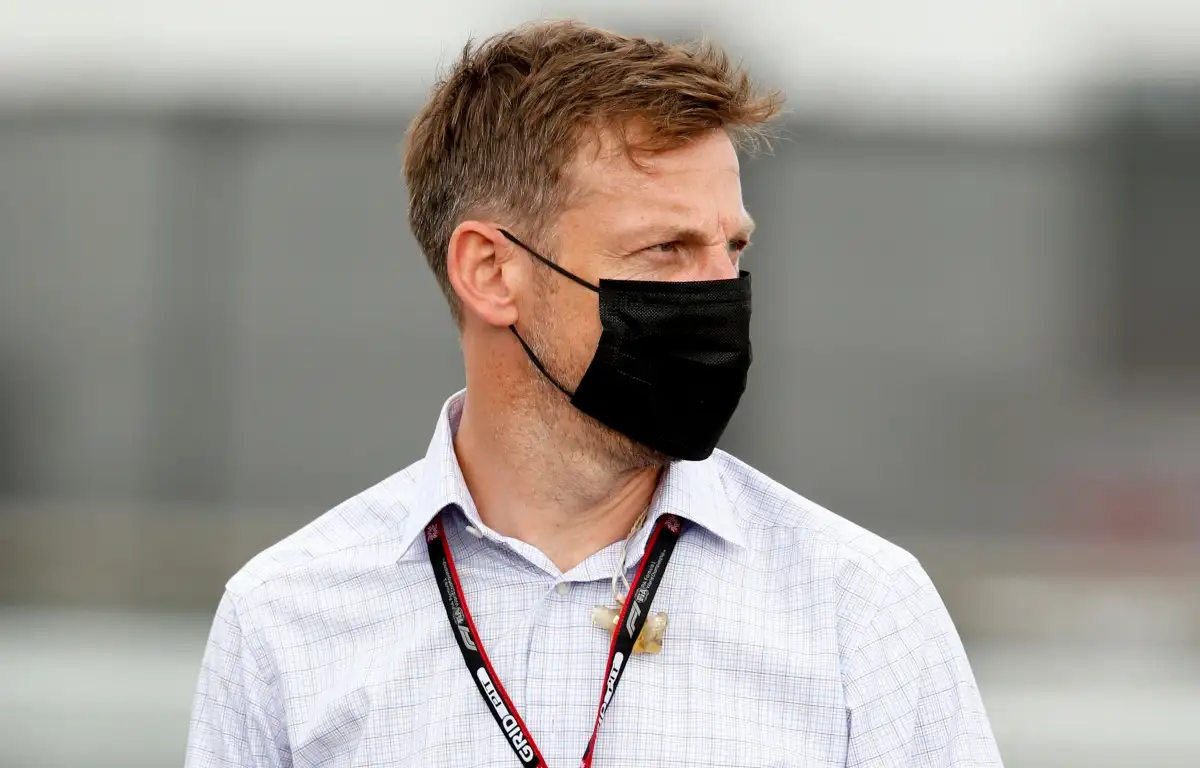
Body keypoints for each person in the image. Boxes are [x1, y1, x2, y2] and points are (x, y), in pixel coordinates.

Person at [185, 19, 1003, 768]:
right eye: (667, 249)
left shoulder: (861, 613)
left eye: (731, 247)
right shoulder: (285, 619)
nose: (721, 289)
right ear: (490, 271)